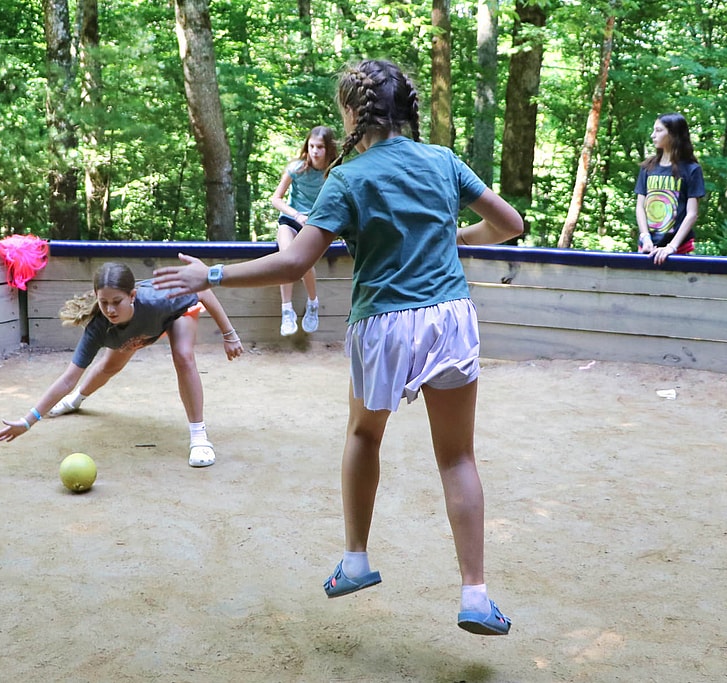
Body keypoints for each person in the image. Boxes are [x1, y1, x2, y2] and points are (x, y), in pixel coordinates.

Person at [152, 59, 523, 634]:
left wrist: (214, 277)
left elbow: (296, 259)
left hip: (382, 323)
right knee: (457, 458)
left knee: (363, 434)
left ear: (353, 113)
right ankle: (475, 596)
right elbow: (509, 224)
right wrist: (453, 239)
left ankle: (355, 562)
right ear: (409, 110)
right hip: (449, 318)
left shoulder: (347, 178)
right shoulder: (444, 161)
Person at [0, 262, 244, 468]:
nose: (110, 309)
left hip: (176, 314)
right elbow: (68, 378)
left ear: (132, 295)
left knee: (183, 356)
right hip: (139, 329)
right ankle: (75, 401)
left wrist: (229, 333)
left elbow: (203, 291)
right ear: (96, 298)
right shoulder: (99, 327)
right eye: (104, 302)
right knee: (108, 367)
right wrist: (28, 421)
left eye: (117, 301)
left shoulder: (160, 298)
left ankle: (199, 436)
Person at [269, 125, 339, 336]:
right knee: (286, 257)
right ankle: (286, 310)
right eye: (311, 146)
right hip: (291, 220)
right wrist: (296, 215)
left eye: (320, 147)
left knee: (304, 261)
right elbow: (275, 198)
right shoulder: (297, 169)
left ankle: (313, 302)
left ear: (328, 149)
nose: (315, 151)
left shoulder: (335, 171)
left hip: (315, 224)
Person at [635, 112, 705, 265]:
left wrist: (671, 247)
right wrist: (645, 237)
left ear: (673, 134)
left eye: (659, 131)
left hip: (678, 249)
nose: (653, 135)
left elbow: (692, 214)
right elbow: (640, 206)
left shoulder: (691, 169)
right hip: (647, 247)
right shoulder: (647, 167)